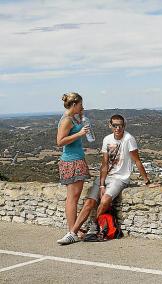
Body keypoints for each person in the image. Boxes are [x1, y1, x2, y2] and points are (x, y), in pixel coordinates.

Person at [58, 114, 151, 245]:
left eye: (120, 125)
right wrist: (101, 185)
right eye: (115, 125)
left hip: (120, 178)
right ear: (110, 125)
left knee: (106, 199)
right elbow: (104, 164)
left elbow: (137, 161)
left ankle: (93, 227)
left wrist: (147, 182)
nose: (118, 128)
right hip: (105, 177)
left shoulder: (129, 139)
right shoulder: (107, 139)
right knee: (89, 202)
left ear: (124, 126)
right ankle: (72, 233)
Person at [56, 92, 91, 244]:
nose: (82, 106)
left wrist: (81, 115)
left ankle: (73, 231)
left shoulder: (71, 118)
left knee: (72, 198)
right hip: (73, 162)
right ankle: (72, 232)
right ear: (74, 104)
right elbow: (60, 141)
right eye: (80, 104)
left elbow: (79, 121)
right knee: (73, 198)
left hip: (74, 160)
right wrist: (80, 133)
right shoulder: (66, 120)